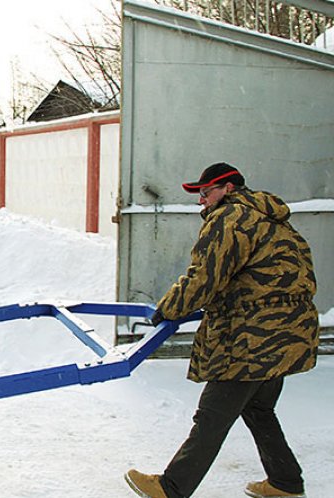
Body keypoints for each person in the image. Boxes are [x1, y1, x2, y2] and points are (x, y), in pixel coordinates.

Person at [124, 163, 319, 498]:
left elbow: (205, 276)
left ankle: (171, 488)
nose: (201, 199)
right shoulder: (269, 217)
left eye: (206, 192)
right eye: (199, 193)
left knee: (212, 415)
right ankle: (285, 482)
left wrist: (169, 308)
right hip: (290, 331)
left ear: (229, 188)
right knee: (258, 408)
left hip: (253, 335)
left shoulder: (230, 218)